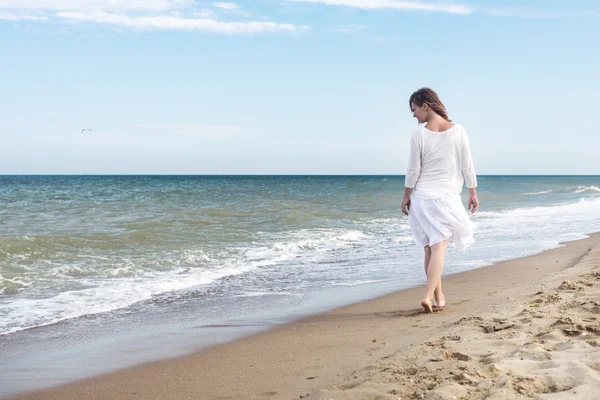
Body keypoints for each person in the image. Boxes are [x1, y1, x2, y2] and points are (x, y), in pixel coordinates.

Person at [401, 87, 479, 313]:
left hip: (423, 199)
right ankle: (427, 296)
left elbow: (413, 170)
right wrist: (472, 192)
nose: (414, 115)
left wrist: (406, 196)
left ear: (425, 105)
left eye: (414, 110)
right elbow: (467, 165)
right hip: (445, 198)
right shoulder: (459, 131)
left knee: (430, 249)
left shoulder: (419, 135)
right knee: (438, 249)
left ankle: (440, 298)